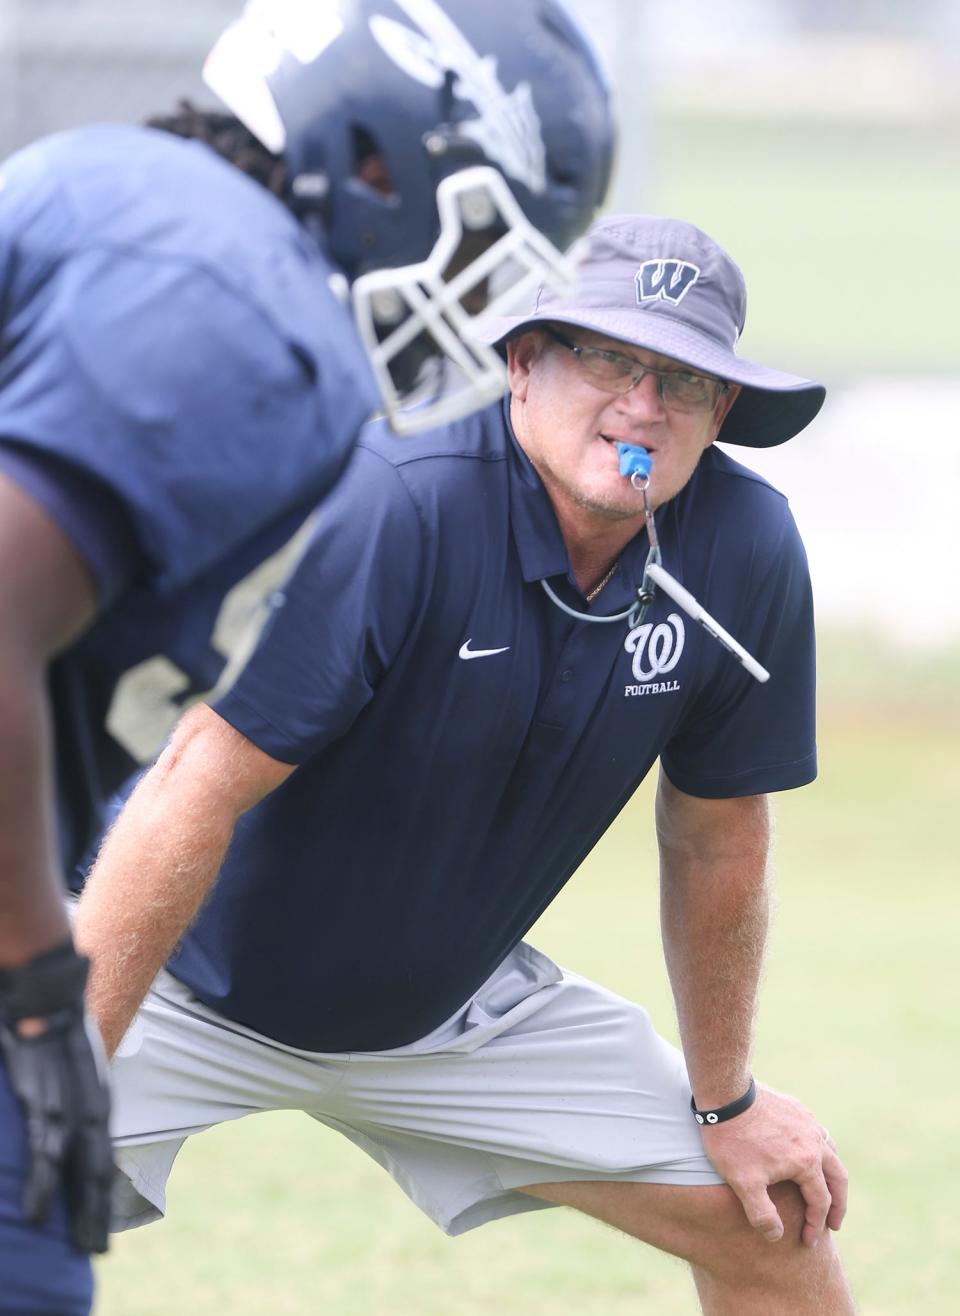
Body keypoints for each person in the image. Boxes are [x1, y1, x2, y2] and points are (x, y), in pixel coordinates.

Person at [75, 214, 855, 1315]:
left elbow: (717, 831)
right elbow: (192, 785)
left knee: (768, 1217)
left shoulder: (744, 546)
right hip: (176, 968)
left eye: (681, 378)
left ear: (722, 409)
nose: (643, 405)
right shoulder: (401, 503)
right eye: (609, 358)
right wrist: (64, 1068)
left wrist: (727, 1104)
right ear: (522, 364)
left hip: (446, 1007)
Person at [0, 2, 615, 1310]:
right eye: (488, 245)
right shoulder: (237, 304)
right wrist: (41, 982)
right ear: (384, 157)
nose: (484, 305)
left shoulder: (112, 185)